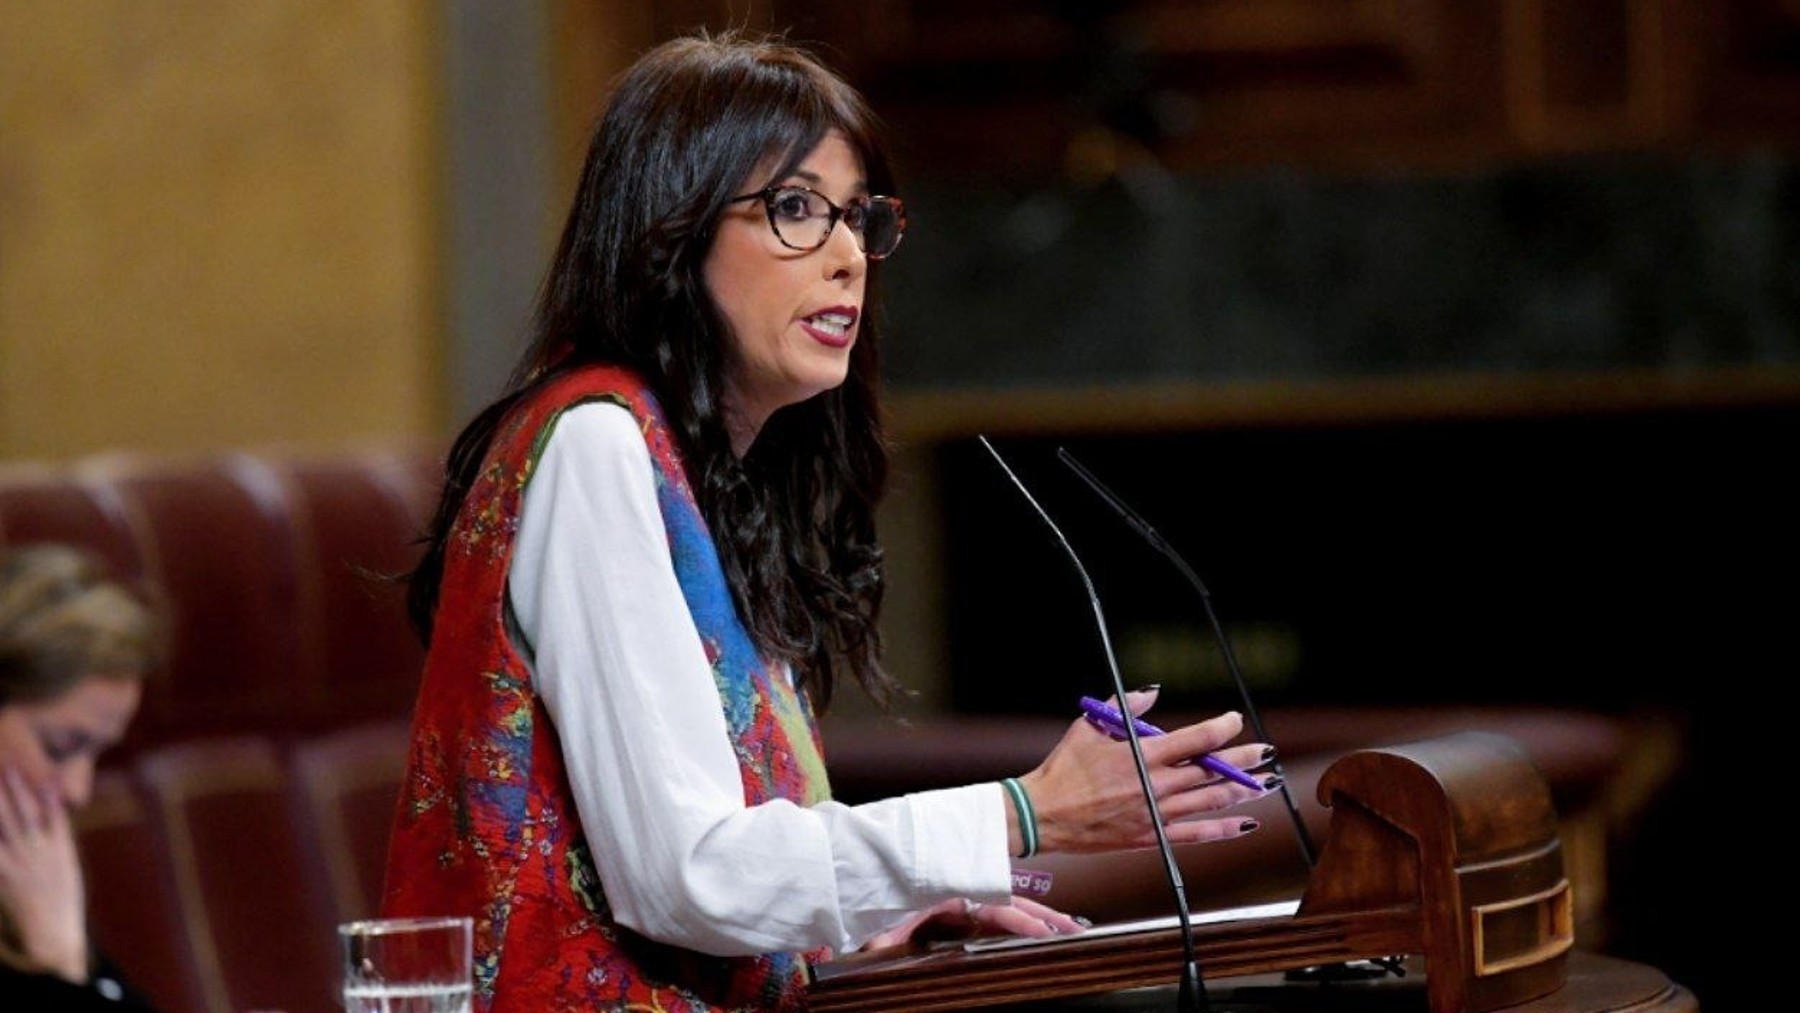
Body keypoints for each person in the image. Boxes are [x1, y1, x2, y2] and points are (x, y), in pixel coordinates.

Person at [382, 28, 1275, 1013]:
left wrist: (882, 910)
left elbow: (712, 868)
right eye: (797, 209)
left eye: (858, 217)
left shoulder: (699, 476)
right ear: (670, 235)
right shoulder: (596, 444)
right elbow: (687, 876)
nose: (849, 256)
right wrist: (1023, 813)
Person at [0, 543, 164, 1011]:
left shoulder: (23, 881)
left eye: (96, 755)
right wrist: (56, 957)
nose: (78, 789)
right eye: (59, 748)